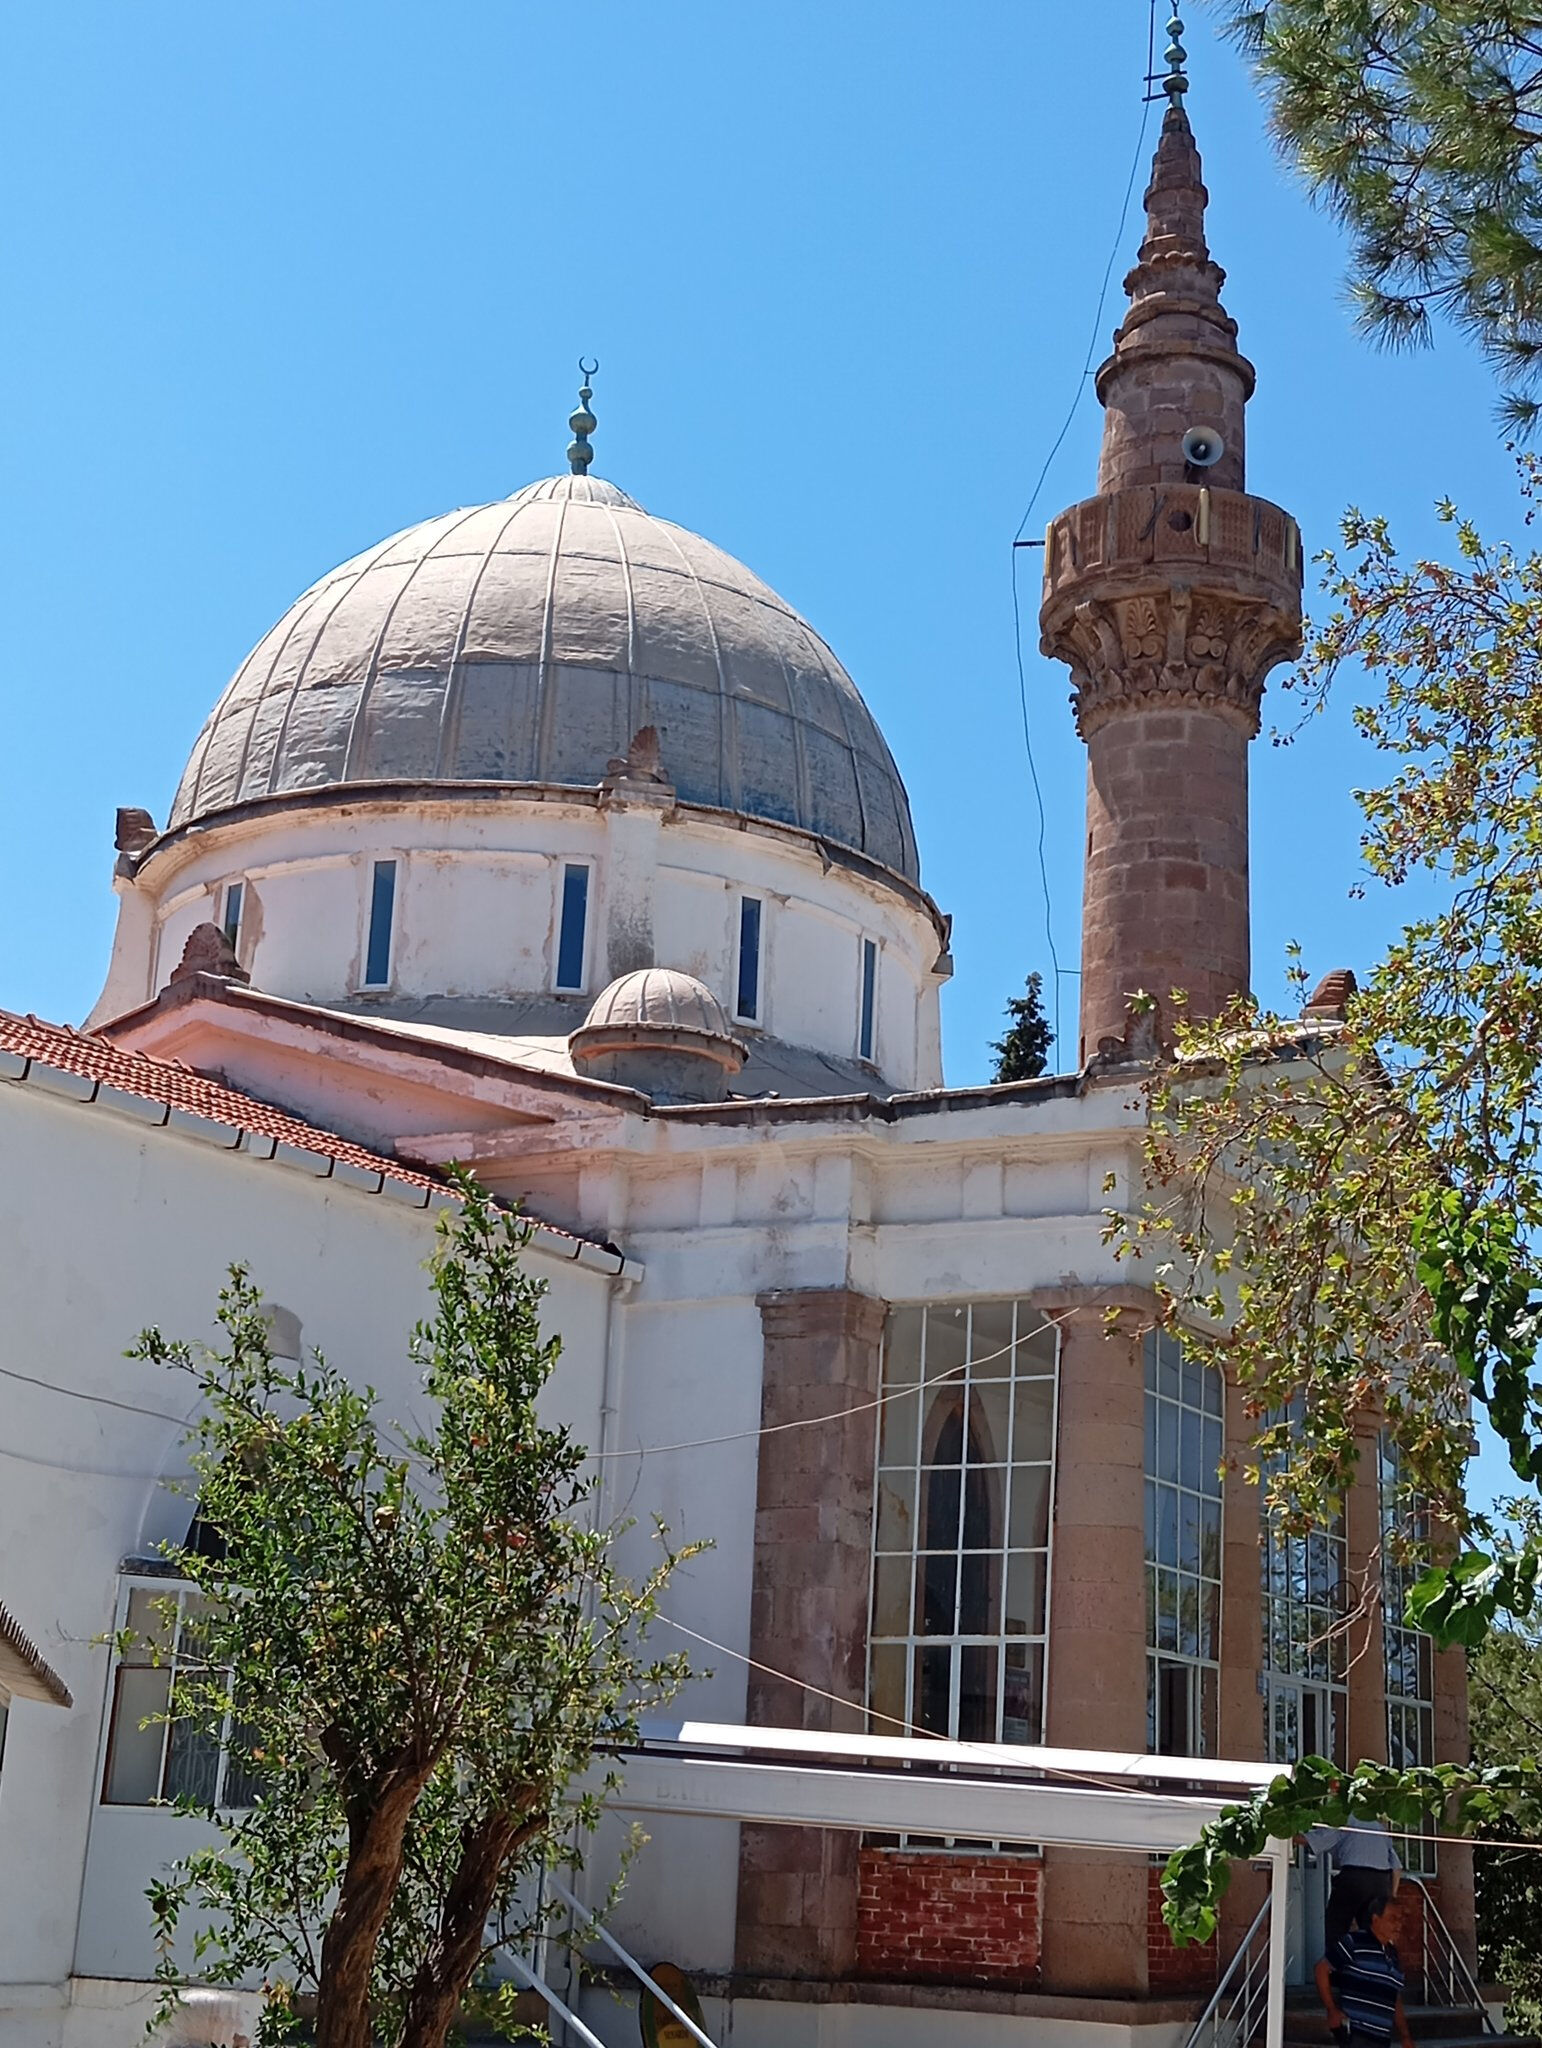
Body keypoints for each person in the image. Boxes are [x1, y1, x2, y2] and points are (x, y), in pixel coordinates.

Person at [1315, 1892, 1414, 2048]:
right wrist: (1331, 2009)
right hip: (1357, 2034)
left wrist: (1405, 2035)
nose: (1398, 1925)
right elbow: (1321, 1969)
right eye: (1393, 1919)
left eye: (1400, 1920)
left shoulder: (1392, 1955)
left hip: (1381, 2038)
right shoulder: (1355, 1941)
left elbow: (1394, 1996)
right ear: (1376, 1919)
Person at [1305, 1818, 1402, 1951]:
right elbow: (1396, 1867)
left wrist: (1285, 1837)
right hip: (1381, 1880)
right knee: (1376, 1931)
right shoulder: (1378, 1826)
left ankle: (1335, 1965)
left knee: (1336, 1927)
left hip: (1355, 1876)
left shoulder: (1344, 1817)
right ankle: (1375, 1965)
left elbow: (1317, 1840)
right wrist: (1392, 1896)